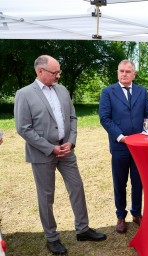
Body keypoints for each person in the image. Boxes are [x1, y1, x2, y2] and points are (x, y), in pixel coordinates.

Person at [14, 55, 106, 255]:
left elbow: (72, 117)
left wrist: (71, 141)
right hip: (42, 154)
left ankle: (82, 230)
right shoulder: (24, 94)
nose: (58, 76)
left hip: (67, 150)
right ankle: (52, 238)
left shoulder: (62, 90)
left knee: (77, 187)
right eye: (54, 72)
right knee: (46, 197)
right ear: (40, 71)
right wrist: (50, 147)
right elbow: (23, 128)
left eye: (59, 72)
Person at [99, 60, 148, 233]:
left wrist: (145, 132)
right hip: (119, 146)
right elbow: (105, 118)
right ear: (117, 72)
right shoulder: (108, 92)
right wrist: (121, 137)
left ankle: (136, 213)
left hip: (139, 146)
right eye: (121, 71)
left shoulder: (142, 92)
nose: (124, 74)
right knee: (120, 182)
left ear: (134, 74)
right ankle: (120, 216)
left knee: (138, 181)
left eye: (128, 71)